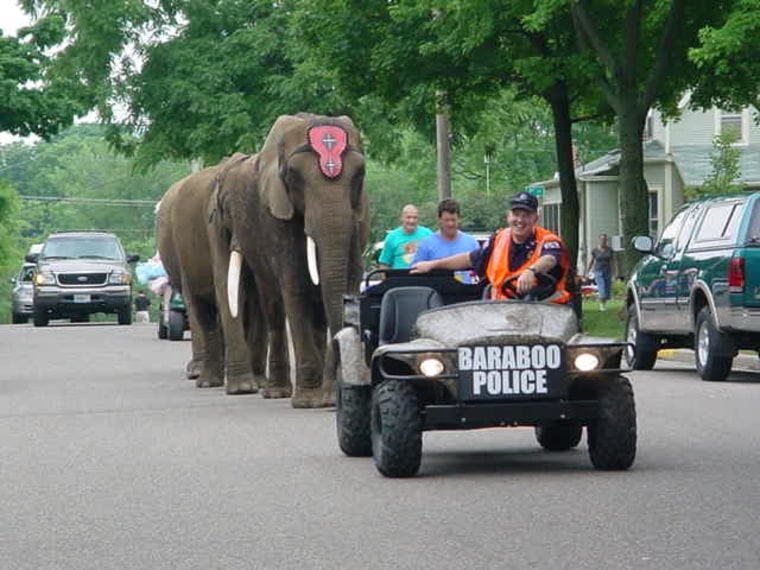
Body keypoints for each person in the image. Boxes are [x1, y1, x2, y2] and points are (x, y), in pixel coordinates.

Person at [411, 191, 571, 304]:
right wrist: (433, 264)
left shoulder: (548, 240)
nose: (520, 220)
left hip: (547, 313)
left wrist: (531, 271)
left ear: (535, 218)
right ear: (508, 216)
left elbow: (550, 258)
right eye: (516, 214)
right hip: (500, 312)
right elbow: (470, 258)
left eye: (526, 215)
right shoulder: (498, 239)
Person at [412, 198, 479, 283]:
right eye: (446, 220)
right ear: (439, 219)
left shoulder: (472, 243)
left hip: (465, 293)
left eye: (453, 220)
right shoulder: (426, 244)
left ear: (459, 219)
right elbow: (414, 273)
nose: (450, 224)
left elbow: (479, 276)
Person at [378, 204, 433, 269]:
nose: (411, 221)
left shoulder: (427, 234)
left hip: (422, 276)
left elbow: (435, 258)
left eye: (414, 217)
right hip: (399, 277)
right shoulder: (392, 237)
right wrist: (386, 279)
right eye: (408, 217)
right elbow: (384, 263)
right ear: (402, 218)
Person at [586, 233, 617, 311]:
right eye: (602, 239)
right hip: (598, 271)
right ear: (599, 240)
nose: (603, 241)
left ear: (606, 241)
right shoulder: (595, 250)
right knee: (602, 287)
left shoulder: (610, 250)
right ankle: (601, 305)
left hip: (608, 270)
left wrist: (616, 272)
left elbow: (613, 261)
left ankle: (604, 304)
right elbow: (591, 261)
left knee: (607, 288)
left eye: (605, 240)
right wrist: (588, 271)